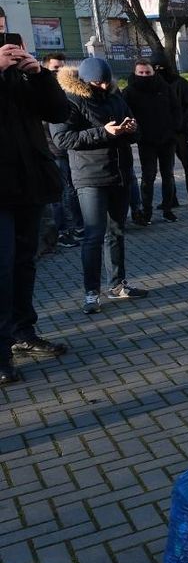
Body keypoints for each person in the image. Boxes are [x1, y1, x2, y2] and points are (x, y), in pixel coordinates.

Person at [52, 58, 148, 315]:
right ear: (84, 80)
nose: (103, 85)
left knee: (116, 232)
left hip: (120, 174)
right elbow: (62, 139)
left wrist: (132, 129)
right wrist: (104, 133)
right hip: (90, 177)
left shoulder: (115, 97)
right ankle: (91, 292)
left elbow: (134, 132)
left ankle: (117, 284)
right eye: (97, 81)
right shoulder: (70, 99)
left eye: (106, 80)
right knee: (93, 235)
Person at [1, 42, 70, 384]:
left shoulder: (19, 77)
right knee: (1, 268)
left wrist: (40, 75)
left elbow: (59, 112)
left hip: (28, 184)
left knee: (23, 263)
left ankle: (22, 334)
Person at [123, 59, 180, 224]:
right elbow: (126, 114)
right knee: (148, 176)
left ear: (153, 72)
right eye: (140, 73)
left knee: (168, 175)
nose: (144, 75)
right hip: (146, 141)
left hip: (167, 139)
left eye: (147, 72)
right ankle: (146, 211)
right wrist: (136, 133)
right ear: (135, 73)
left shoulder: (165, 88)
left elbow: (176, 109)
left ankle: (167, 209)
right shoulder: (129, 91)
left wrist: (174, 128)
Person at [152, 51, 188, 208]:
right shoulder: (152, 86)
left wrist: (182, 121)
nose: (159, 70)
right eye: (155, 67)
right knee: (167, 169)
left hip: (181, 131)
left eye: (161, 67)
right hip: (163, 133)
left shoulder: (180, 83)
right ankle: (170, 199)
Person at [43, 53, 83, 249]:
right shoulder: (44, 91)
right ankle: (65, 231)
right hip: (54, 150)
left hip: (66, 149)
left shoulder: (65, 91)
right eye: (55, 69)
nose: (59, 72)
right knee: (64, 192)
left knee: (70, 191)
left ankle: (73, 228)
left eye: (61, 68)